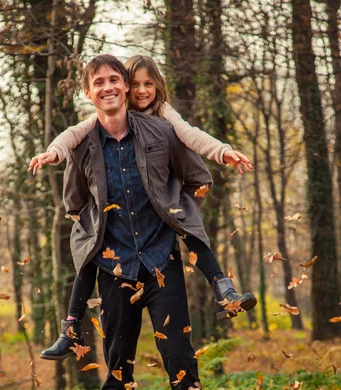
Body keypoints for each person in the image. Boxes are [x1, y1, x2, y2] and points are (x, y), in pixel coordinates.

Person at [28, 55, 257, 362]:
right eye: (135, 84)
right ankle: (70, 328)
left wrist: (223, 152)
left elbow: (191, 136)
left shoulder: (163, 119)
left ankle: (223, 289)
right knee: (89, 248)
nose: (140, 91)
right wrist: (53, 154)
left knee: (183, 222)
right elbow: (71, 137)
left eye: (147, 84)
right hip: (115, 255)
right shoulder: (96, 128)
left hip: (161, 245)